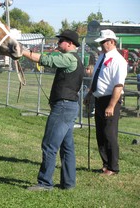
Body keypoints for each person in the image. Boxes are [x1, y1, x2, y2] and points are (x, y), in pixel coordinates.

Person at [22, 30, 84, 191]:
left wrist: (22, 51)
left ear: (70, 43)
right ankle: (68, 183)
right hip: (69, 106)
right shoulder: (75, 58)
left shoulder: (69, 58)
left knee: (49, 145)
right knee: (67, 146)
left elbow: (46, 60)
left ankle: (44, 183)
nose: (58, 44)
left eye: (60, 41)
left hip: (63, 107)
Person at [84, 29, 127, 176]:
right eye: (101, 42)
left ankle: (113, 167)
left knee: (109, 133)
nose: (102, 45)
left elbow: (118, 85)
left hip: (110, 99)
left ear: (112, 42)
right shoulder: (101, 58)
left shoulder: (118, 60)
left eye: (104, 42)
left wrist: (111, 105)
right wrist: (90, 93)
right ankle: (105, 164)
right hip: (99, 99)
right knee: (100, 133)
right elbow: (98, 78)